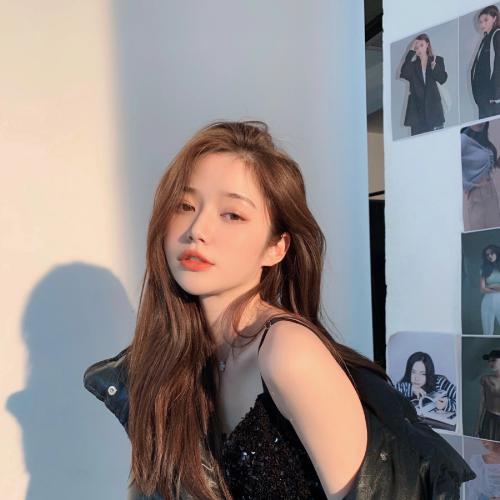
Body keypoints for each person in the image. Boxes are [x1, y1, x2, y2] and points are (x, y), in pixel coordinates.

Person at [84, 121, 474, 499]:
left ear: (276, 248)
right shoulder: (169, 364)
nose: (197, 230)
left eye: (232, 214)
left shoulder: (288, 352)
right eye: (185, 205)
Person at [400, 33, 448, 136]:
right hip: (417, 112)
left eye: (421, 45)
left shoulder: (436, 60)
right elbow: (404, 73)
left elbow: (442, 79)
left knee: (436, 141)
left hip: (434, 110)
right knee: (418, 143)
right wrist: (410, 51)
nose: (419, 49)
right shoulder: (412, 66)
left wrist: (434, 68)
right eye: (416, 47)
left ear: (427, 44)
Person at [462, 122, 500, 231]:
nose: (481, 123)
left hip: (491, 191)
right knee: (480, 232)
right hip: (477, 195)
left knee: (496, 230)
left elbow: (488, 164)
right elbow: (448, 164)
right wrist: (468, 185)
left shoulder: (483, 141)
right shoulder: (463, 139)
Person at [471, 5, 500, 119]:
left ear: (494, 18)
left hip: (492, 99)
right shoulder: (486, 39)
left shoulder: (497, 35)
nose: (482, 24)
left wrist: (496, 96)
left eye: (486, 20)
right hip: (484, 99)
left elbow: (498, 67)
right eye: (480, 22)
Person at [477, 350, 500, 442]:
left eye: (494, 360)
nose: (490, 363)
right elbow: (482, 403)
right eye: (489, 361)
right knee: (488, 445)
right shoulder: (486, 379)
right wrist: (477, 426)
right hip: (490, 418)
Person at [480, 245, 500, 335]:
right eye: (487, 255)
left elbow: (486, 287)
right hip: (487, 301)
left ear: (497, 253)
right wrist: (497, 287)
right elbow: (482, 289)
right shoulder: (484, 269)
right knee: (487, 332)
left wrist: (490, 286)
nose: (490, 256)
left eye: (492, 253)